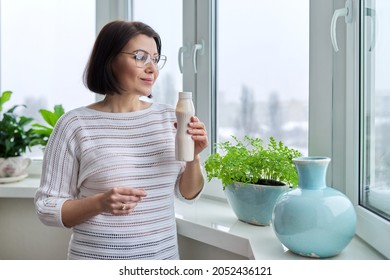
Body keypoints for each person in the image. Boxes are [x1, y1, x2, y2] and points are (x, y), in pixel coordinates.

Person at [34, 20, 208, 260]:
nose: (152, 68)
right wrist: (100, 203)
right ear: (109, 60)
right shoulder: (75, 125)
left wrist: (194, 157)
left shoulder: (170, 117)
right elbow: (46, 207)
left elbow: (187, 194)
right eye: (140, 57)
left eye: (155, 59)